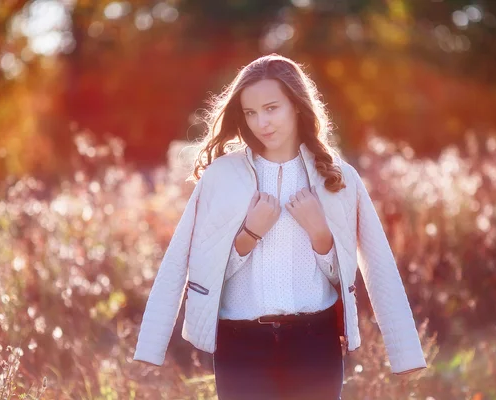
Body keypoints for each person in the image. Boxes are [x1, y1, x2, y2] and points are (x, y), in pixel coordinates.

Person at [133, 54, 427, 399]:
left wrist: (320, 235)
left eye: (272, 108)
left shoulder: (338, 179)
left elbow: (374, 269)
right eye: (250, 113)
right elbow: (187, 265)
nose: (262, 123)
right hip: (240, 347)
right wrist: (249, 235)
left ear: (297, 106)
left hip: (316, 344)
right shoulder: (221, 178)